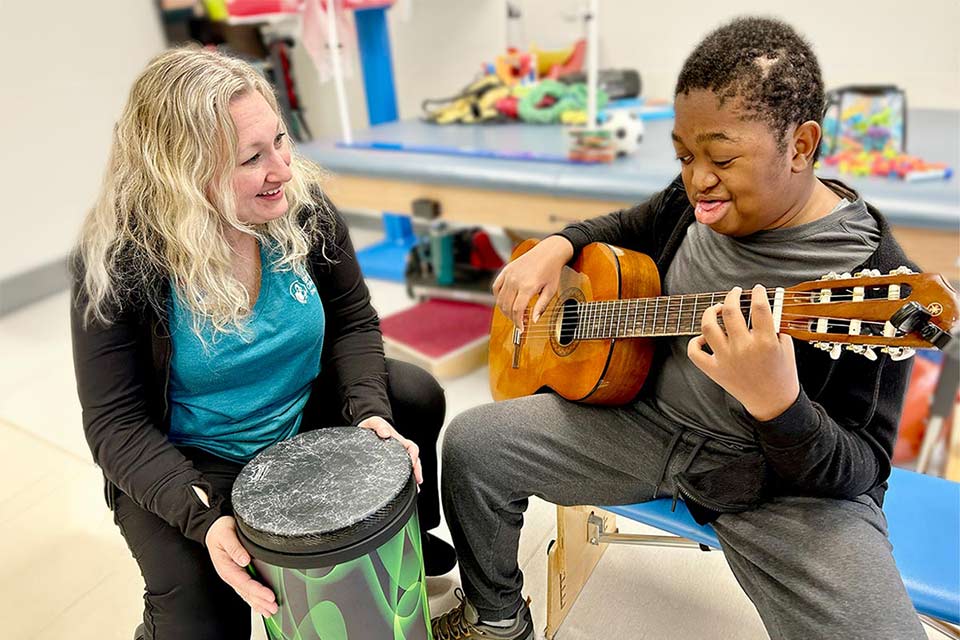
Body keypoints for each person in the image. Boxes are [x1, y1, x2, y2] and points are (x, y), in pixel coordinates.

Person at [431, 16, 926, 640]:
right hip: (641, 422)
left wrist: (780, 406)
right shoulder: (696, 195)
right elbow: (633, 225)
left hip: (777, 484)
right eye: (684, 156)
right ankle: (497, 620)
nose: (697, 180)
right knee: (474, 445)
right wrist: (558, 243)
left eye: (721, 158)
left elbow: (861, 469)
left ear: (801, 146)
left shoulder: (875, 284)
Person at [70, 46, 455, 640]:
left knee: (411, 395)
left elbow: (353, 320)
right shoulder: (120, 263)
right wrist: (205, 521)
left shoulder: (300, 207)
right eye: (253, 157)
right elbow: (115, 425)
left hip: (303, 419)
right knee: (199, 618)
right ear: (182, 171)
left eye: (281, 141)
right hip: (191, 462)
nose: (282, 169)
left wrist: (369, 414)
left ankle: (401, 535)